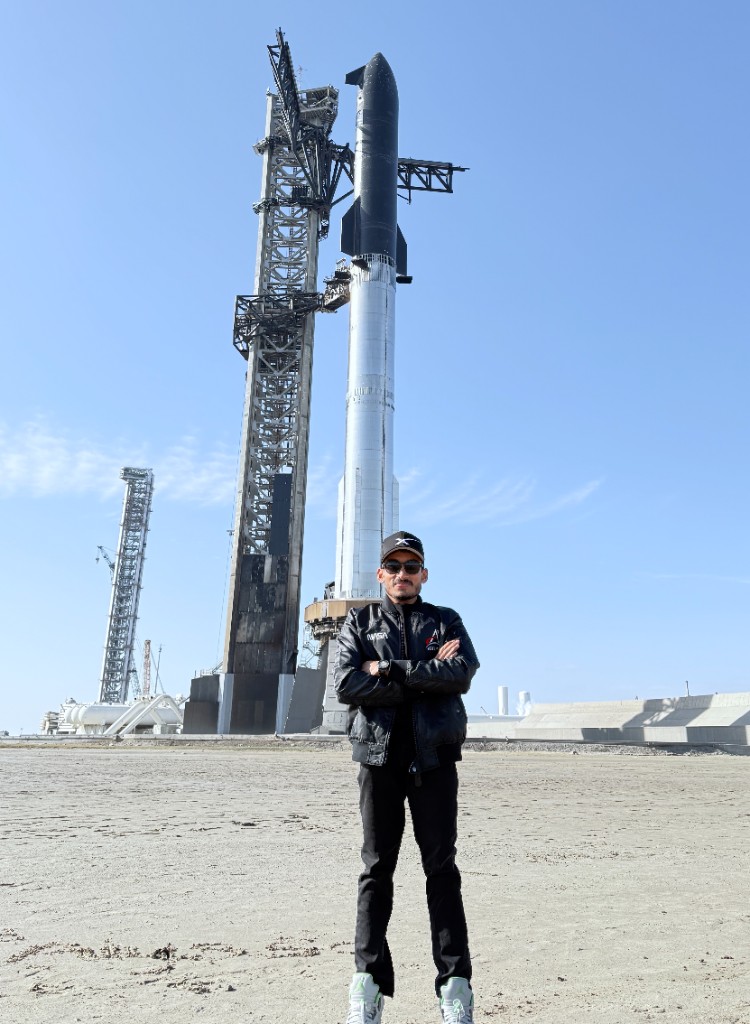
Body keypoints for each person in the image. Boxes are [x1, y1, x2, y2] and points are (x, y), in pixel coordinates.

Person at [334, 530, 480, 1024]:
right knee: (377, 869)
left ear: (423, 573)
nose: (402, 574)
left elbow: (460, 674)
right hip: (378, 759)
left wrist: (388, 670)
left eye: (411, 566)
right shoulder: (359, 620)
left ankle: (455, 988)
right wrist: (420, 675)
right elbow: (346, 684)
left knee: (442, 870)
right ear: (380, 574)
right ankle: (367, 985)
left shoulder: (445, 619)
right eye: (393, 567)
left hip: (434, 760)